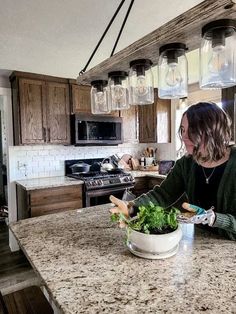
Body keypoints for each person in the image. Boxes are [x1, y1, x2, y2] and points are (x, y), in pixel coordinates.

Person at [110, 102, 236, 241]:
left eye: (192, 131)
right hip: (203, 240)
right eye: (183, 129)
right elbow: (162, 195)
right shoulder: (186, 163)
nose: (184, 136)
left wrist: (214, 218)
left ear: (213, 131)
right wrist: (131, 207)